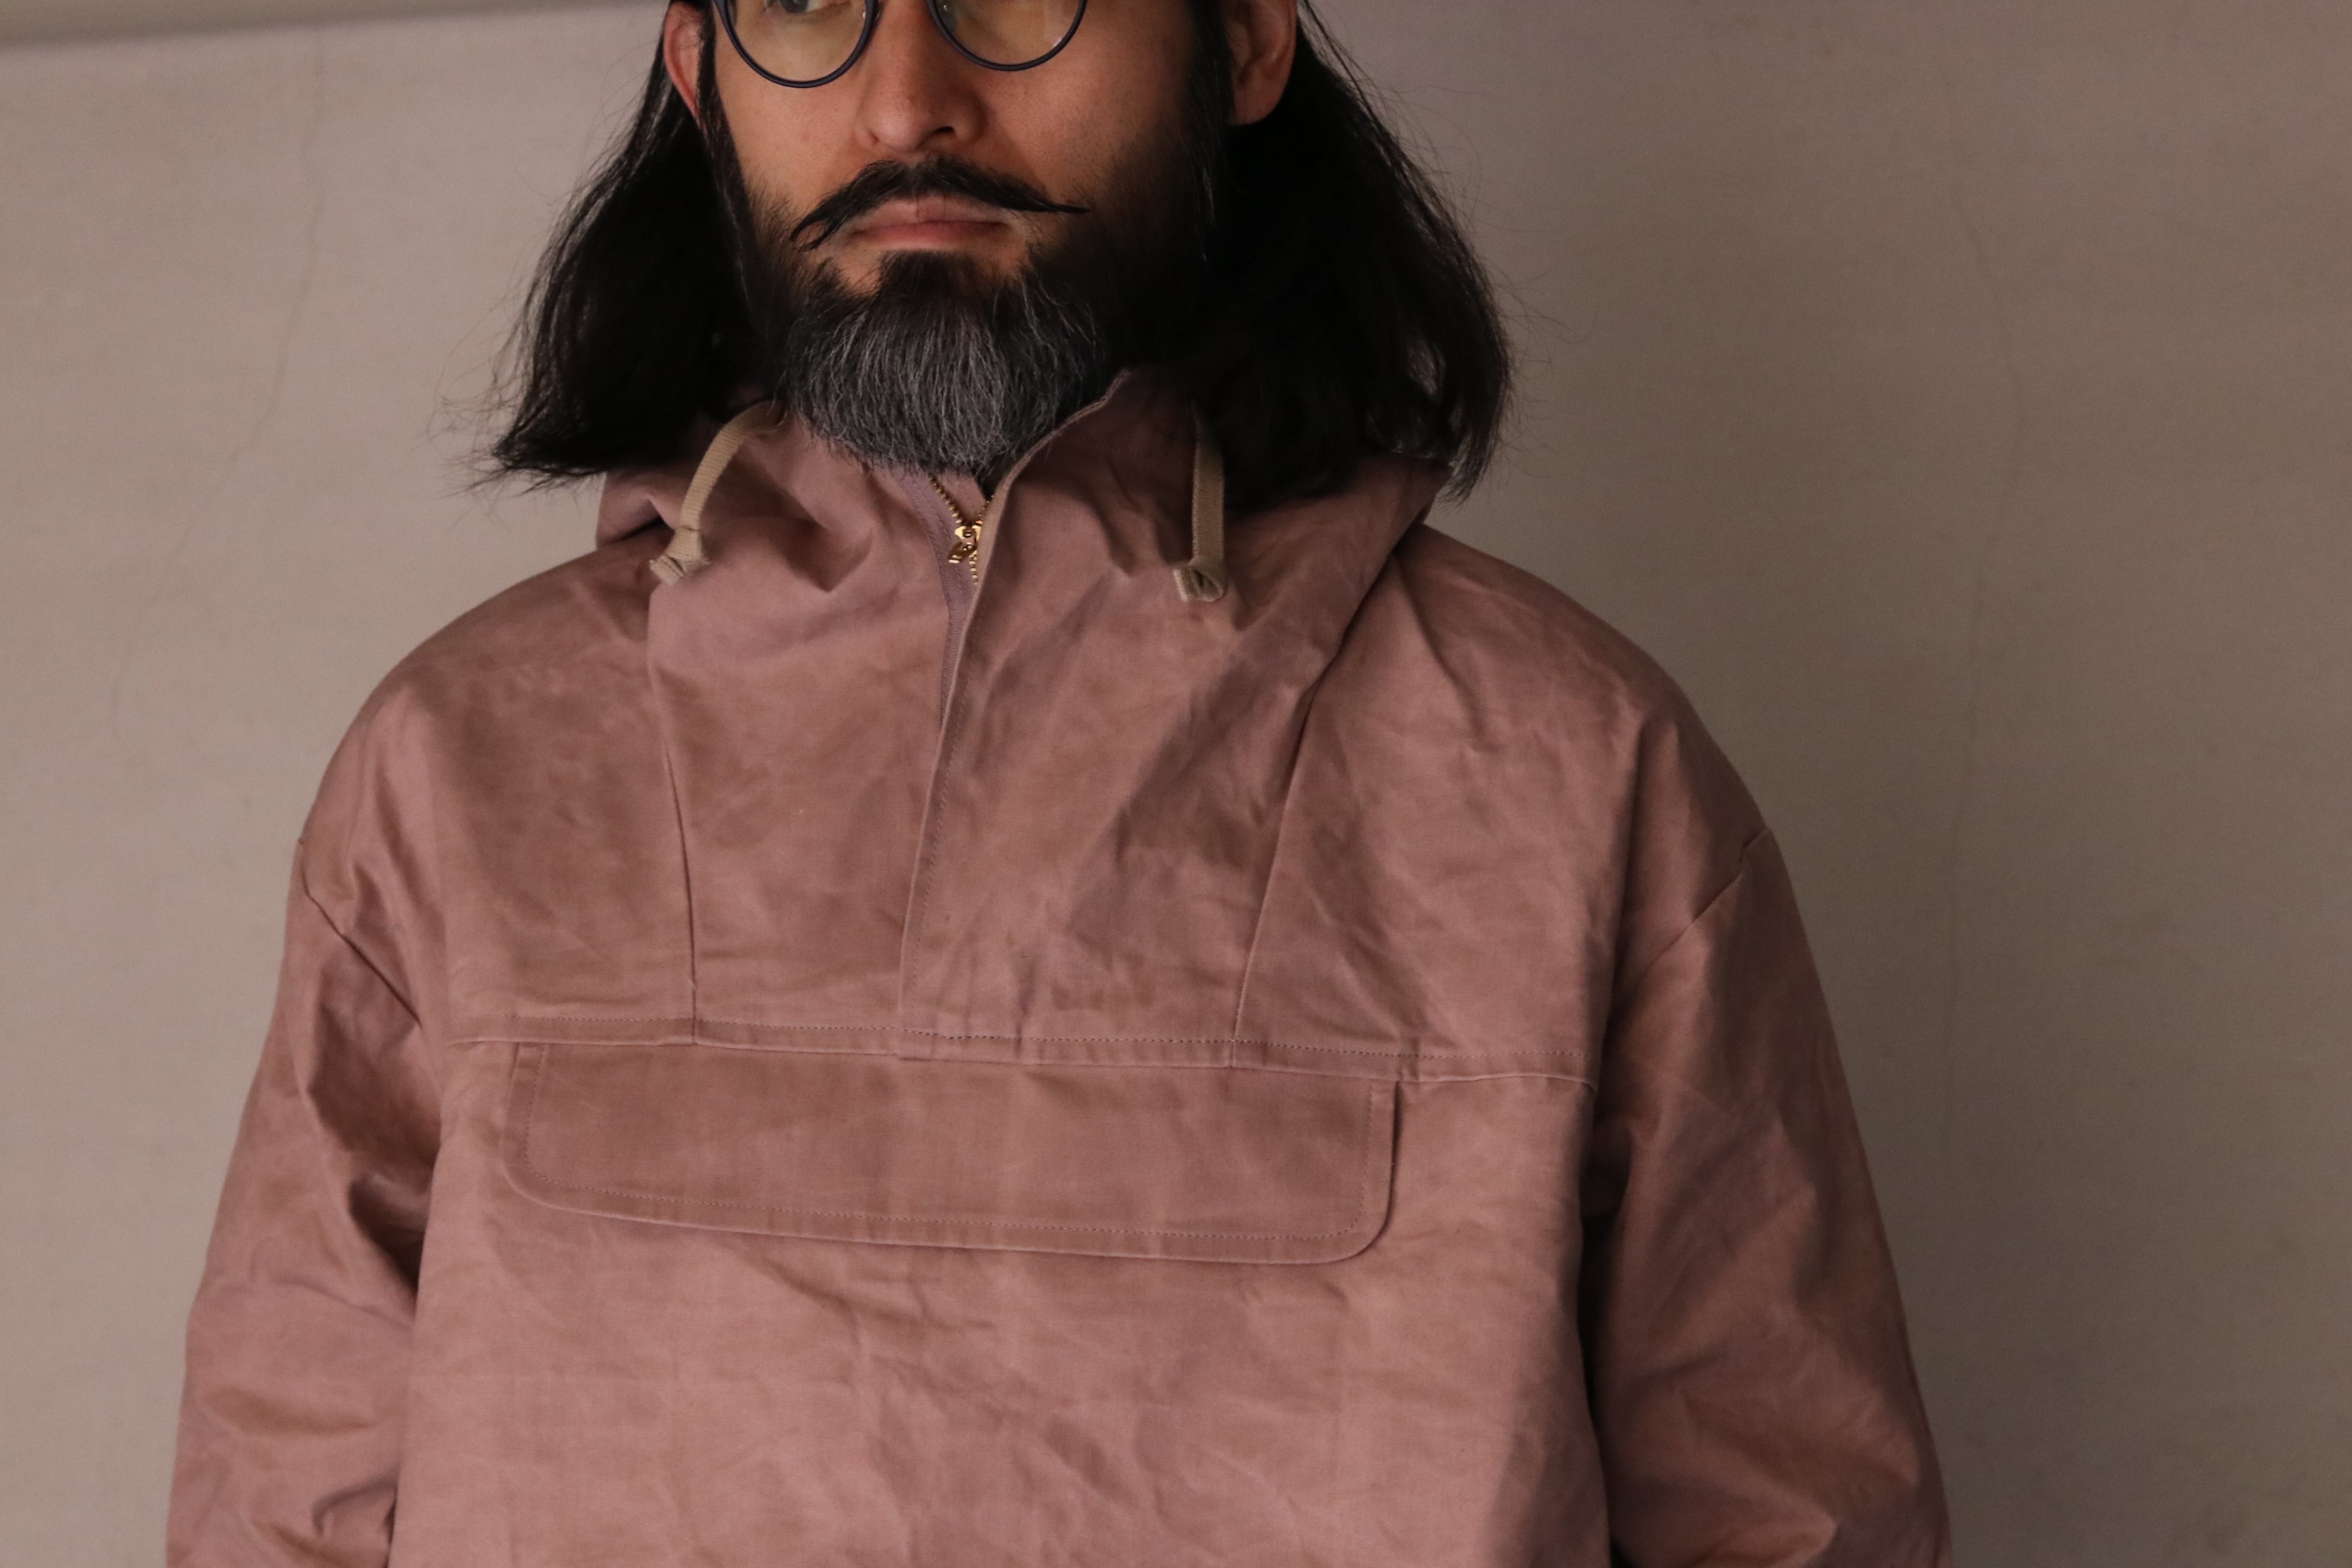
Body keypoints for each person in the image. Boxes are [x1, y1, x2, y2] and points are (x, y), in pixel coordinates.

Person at [165, 1, 1953, 1563]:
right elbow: (283, 1511)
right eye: (806, 1)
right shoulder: (462, 766)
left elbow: (1790, 1521)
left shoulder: (1572, 771)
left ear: (1242, 40)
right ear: (701, 75)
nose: (906, 97)